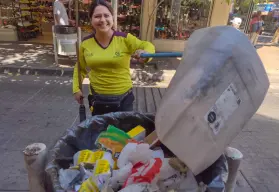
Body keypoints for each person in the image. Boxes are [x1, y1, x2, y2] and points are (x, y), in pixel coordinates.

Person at [72, 0, 155, 116]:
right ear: (91, 19)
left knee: (123, 133)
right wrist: (76, 89)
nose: (102, 20)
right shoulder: (85, 44)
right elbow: (80, 68)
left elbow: (147, 45)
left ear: (112, 18)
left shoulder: (125, 39)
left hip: (124, 100)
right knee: (101, 133)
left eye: (106, 15)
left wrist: (146, 54)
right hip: (97, 100)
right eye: (97, 16)